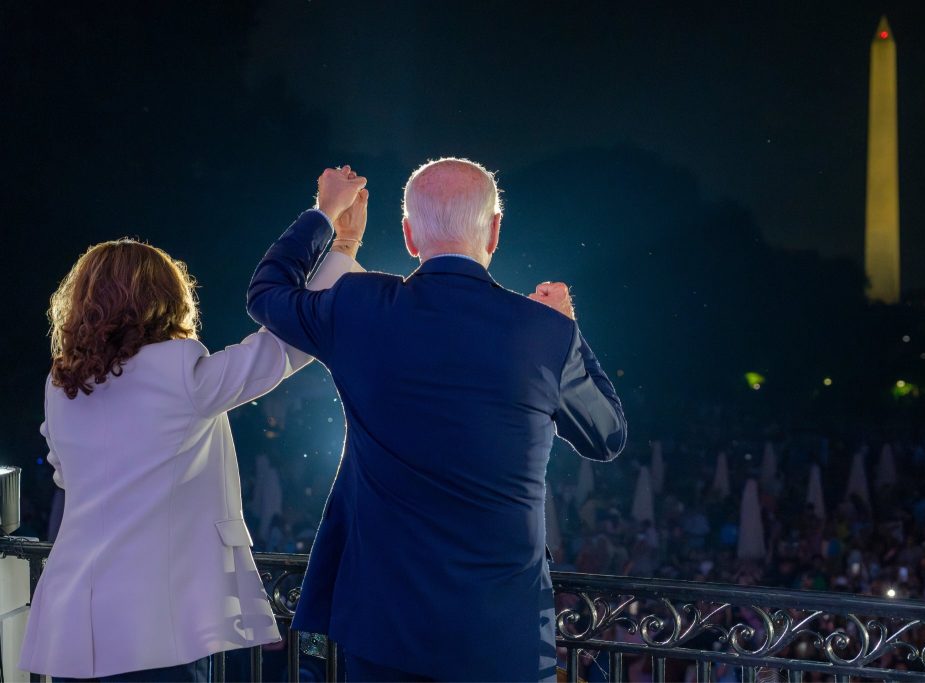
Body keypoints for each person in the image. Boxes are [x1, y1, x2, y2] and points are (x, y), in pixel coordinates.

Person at [248, 158, 627, 681]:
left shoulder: (362, 305)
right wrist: (568, 330)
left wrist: (325, 215)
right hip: (503, 637)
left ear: (408, 234)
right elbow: (606, 436)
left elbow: (267, 293)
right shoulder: (543, 333)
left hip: (383, 629)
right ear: (494, 230)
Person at [19, 187, 369, 681]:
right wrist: (341, 246)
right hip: (153, 629)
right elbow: (283, 348)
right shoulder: (175, 369)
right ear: (164, 298)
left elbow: (63, 474)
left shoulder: (62, 382)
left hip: (76, 622)